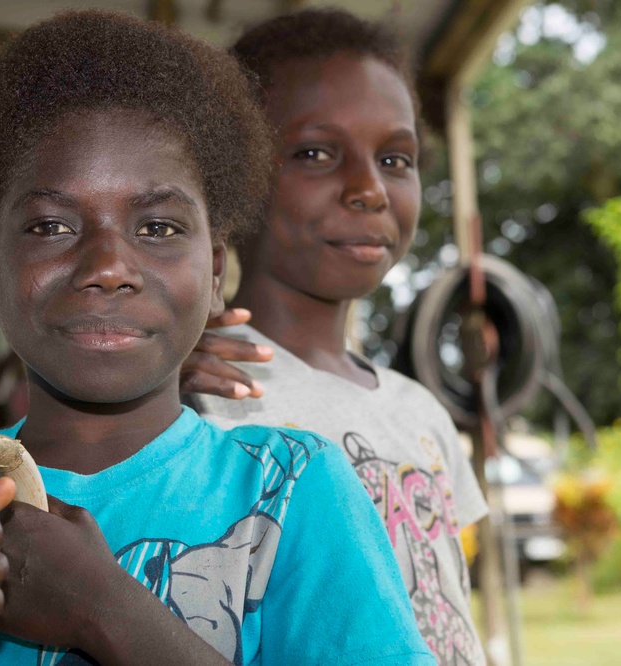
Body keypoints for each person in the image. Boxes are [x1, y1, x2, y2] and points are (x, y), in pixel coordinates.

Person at [0, 11, 437, 666]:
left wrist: (103, 608)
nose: (106, 266)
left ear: (215, 272)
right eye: (51, 226)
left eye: (157, 228)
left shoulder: (293, 488)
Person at [183, 10, 488, 665]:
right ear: (231, 182)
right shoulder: (204, 395)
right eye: (315, 153)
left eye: (395, 158)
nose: (369, 189)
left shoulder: (419, 412)